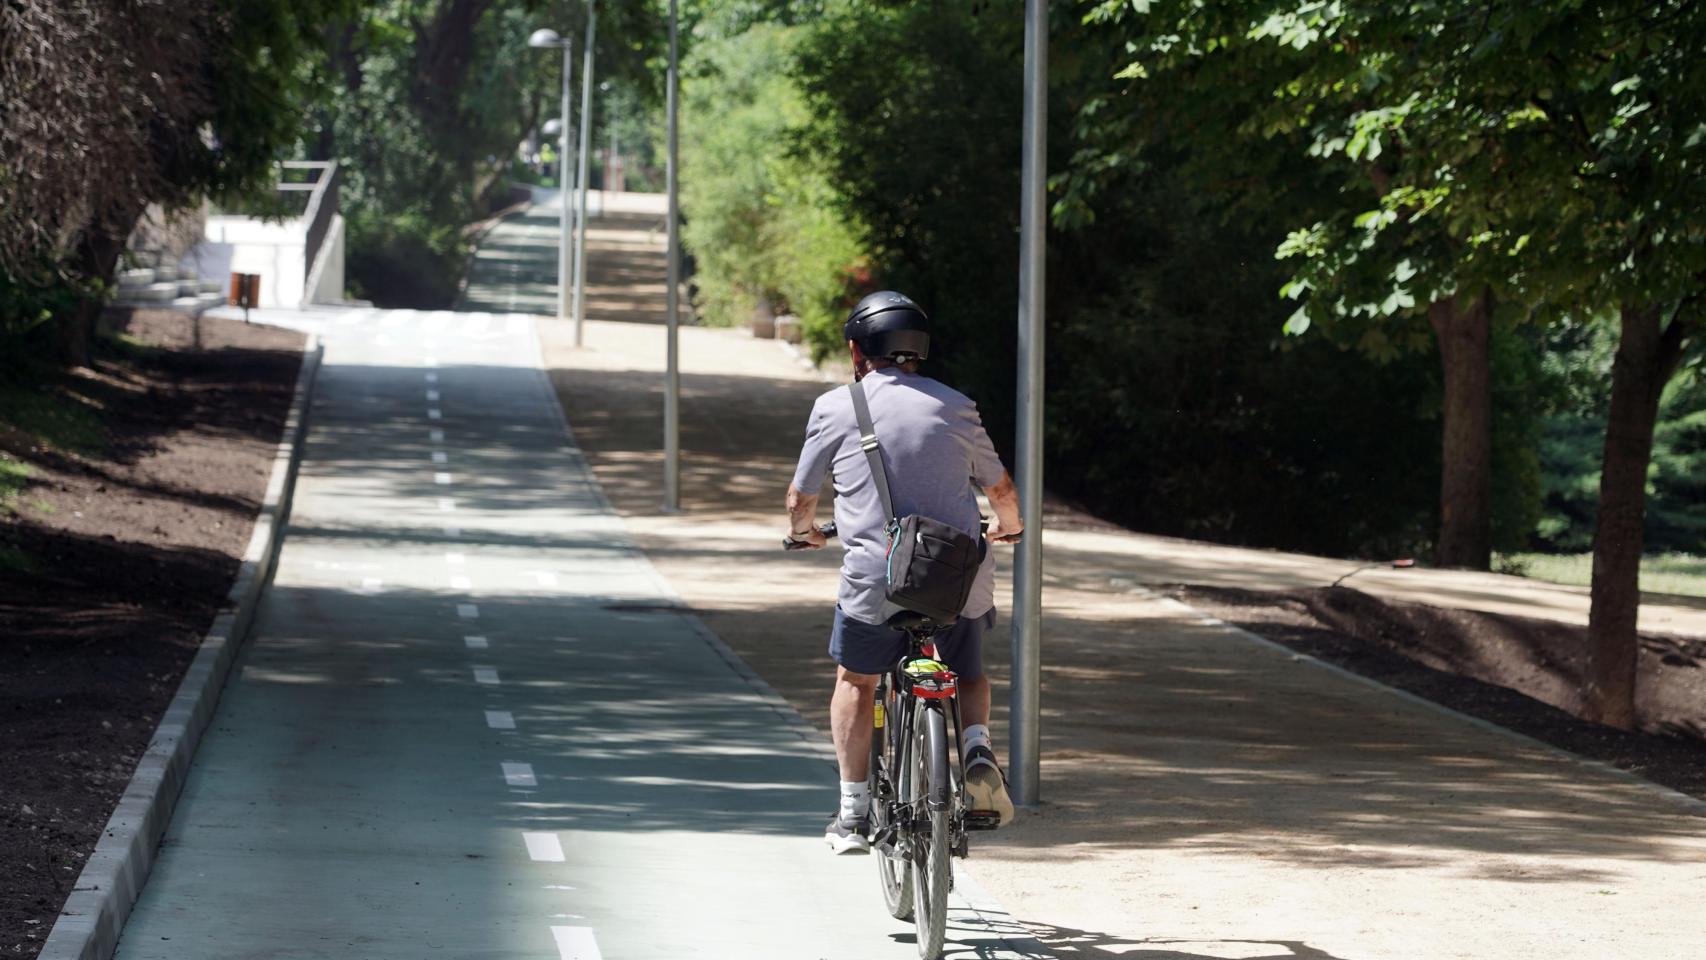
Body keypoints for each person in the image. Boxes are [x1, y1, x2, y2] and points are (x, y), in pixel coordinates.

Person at [785, 290, 1024, 855]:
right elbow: (1002, 492)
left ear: (855, 349)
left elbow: (801, 497)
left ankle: (852, 811)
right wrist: (1006, 528)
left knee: (856, 681)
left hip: (876, 577)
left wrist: (805, 533)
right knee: (965, 670)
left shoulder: (835, 407)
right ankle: (975, 747)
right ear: (919, 349)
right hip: (955, 573)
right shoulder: (957, 405)